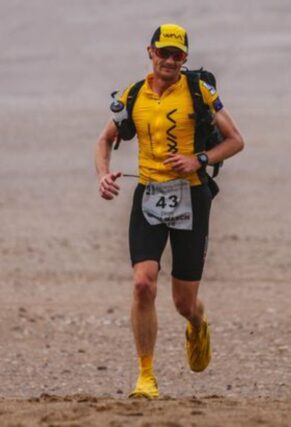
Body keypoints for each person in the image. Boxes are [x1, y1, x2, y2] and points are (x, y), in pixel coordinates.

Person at [94, 23, 244, 399]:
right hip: (148, 195)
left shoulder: (199, 92)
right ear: (150, 52)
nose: (170, 60)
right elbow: (105, 140)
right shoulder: (133, 95)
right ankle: (146, 377)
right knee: (143, 284)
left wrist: (200, 159)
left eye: (177, 55)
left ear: (185, 59)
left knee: (183, 302)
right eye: (164, 53)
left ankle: (197, 323)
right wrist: (102, 176)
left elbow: (236, 140)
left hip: (191, 198)